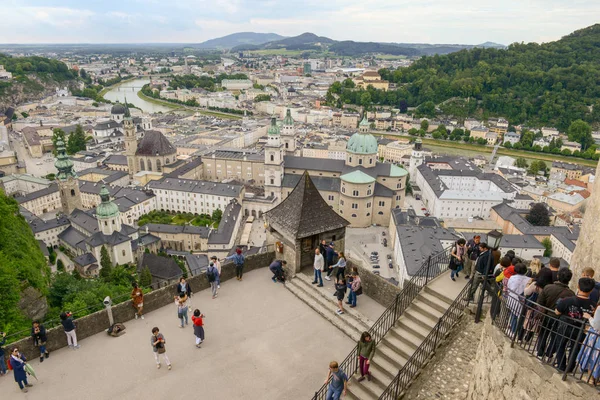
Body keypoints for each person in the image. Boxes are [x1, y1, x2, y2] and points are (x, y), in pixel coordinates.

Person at [554, 278, 597, 372]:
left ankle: (561, 366)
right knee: (575, 348)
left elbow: (557, 312)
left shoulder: (567, 300)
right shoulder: (593, 306)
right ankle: (570, 368)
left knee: (560, 345)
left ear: (578, 286)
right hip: (581, 329)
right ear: (591, 290)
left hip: (564, 326)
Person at [536, 268, 575, 358]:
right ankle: (549, 353)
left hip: (546, 315)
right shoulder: (571, 294)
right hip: (559, 318)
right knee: (554, 336)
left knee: (543, 334)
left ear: (558, 276)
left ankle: (540, 352)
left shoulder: (548, 287)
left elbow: (540, 302)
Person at [506, 263, 531, 333]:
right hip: (522, 299)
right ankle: (519, 332)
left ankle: (513, 331)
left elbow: (509, 287)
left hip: (512, 297)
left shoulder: (512, 278)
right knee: (522, 317)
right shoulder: (529, 280)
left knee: (513, 315)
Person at [577, 305, 600, 381]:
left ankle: (591, 379)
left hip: (596, 337)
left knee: (592, 356)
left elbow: (596, 326)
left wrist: (589, 317)